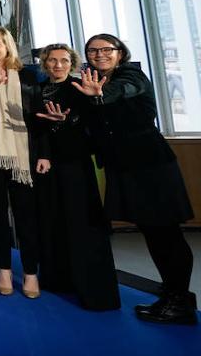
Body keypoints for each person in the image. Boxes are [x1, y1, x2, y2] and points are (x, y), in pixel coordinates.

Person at [77, 34, 195, 324]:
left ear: (120, 53)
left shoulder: (132, 74)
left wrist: (100, 95)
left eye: (106, 49)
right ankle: (173, 295)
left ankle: (180, 300)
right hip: (125, 168)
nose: (99, 54)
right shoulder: (89, 82)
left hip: (152, 167)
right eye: (93, 50)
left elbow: (123, 90)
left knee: (166, 233)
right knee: (153, 233)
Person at [33, 44, 120, 311]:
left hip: (76, 164)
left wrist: (65, 122)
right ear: (45, 63)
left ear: (72, 63)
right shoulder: (37, 91)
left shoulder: (79, 88)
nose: (58, 65)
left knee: (82, 224)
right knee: (53, 220)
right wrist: (44, 153)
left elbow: (93, 126)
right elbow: (37, 129)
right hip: (47, 168)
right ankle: (59, 280)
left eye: (63, 60)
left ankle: (94, 291)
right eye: (53, 60)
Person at [0, 26, 46, 298]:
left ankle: (29, 272)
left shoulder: (28, 75)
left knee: (26, 216)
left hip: (24, 157)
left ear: (7, 45)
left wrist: (45, 154)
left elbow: (40, 118)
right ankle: (3, 269)